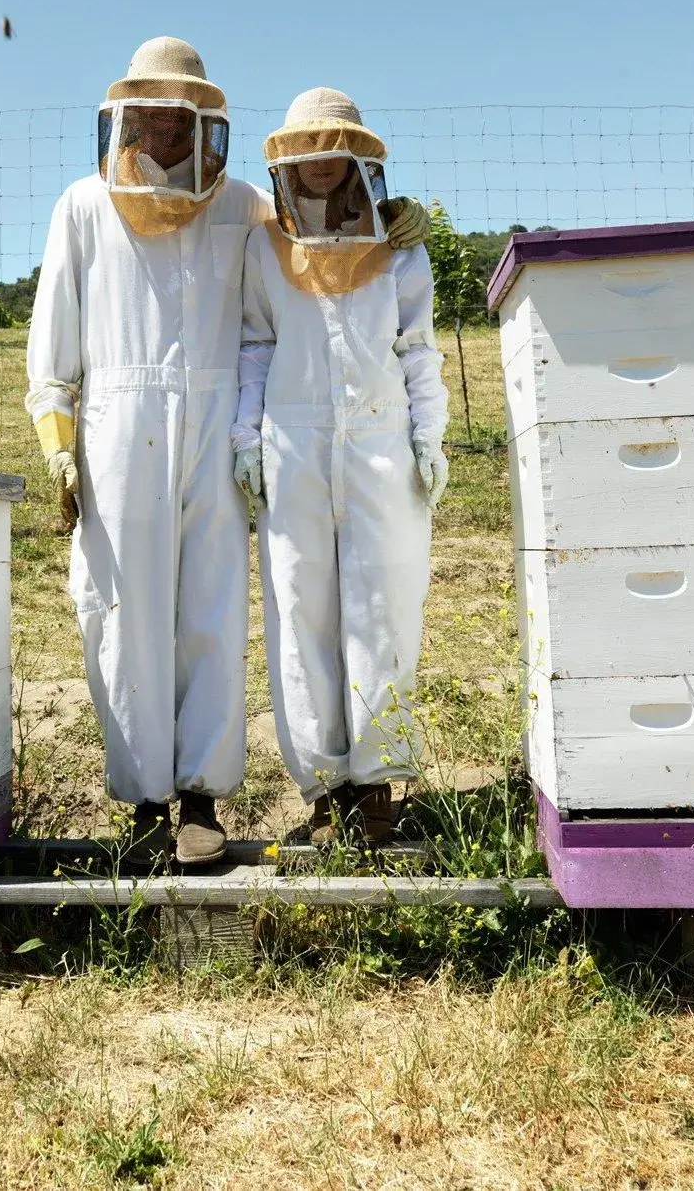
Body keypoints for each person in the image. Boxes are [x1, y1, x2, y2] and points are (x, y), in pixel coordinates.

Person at [26, 41, 430, 869]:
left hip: (221, 428)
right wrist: (59, 444)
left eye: (181, 114)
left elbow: (322, 239)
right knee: (123, 610)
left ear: (204, 120)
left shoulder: (246, 205)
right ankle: (144, 804)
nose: (166, 127)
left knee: (211, 609)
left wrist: (394, 217)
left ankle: (200, 801)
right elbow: (52, 342)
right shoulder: (82, 206)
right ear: (128, 115)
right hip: (117, 427)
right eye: (152, 111)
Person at [232, 88, 449, 847]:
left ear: (358, 159)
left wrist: (430, 434)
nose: (321, 166)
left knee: (382, 607)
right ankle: (325, 791)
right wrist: (245, 437)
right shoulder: (264, 246)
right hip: (291, 446)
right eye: (308, 154)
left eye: (335, 152)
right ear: (288, 163)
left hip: (382, 445)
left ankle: (377, 785)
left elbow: (417, 348)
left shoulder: (401, 245)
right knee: (301, 611)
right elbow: (255, 346)